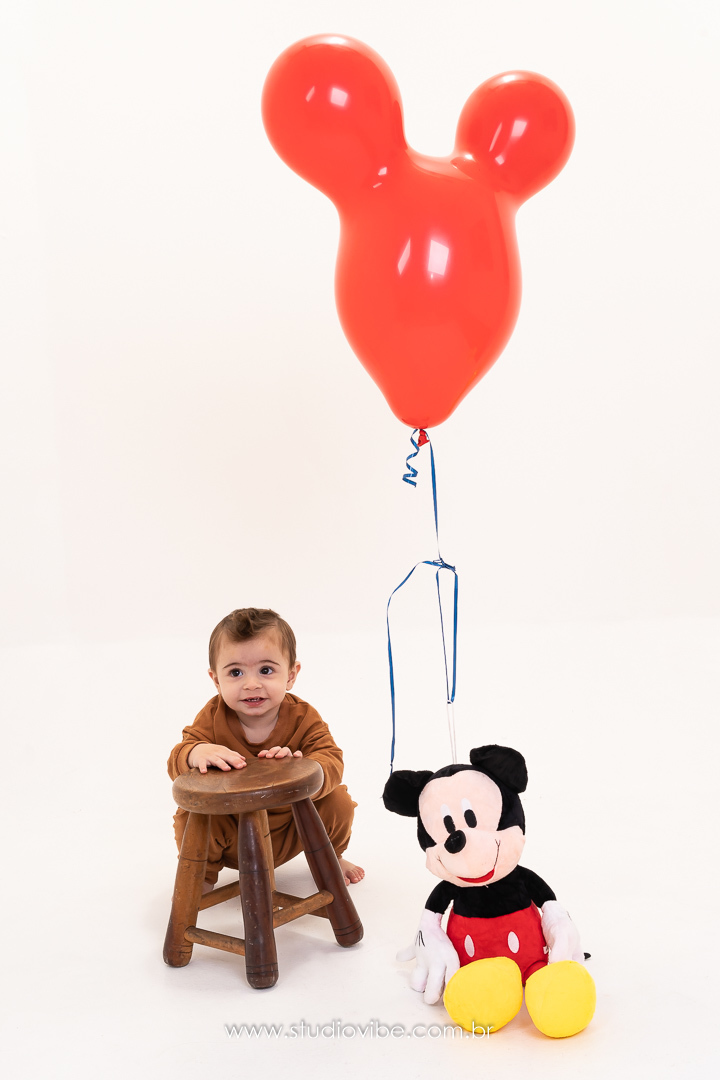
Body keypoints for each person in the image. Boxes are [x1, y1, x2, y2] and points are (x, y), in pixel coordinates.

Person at [168, 607, 364, 888]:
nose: (251, 684)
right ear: (216, 680)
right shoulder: (212, 717)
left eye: (266, 670)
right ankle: (202, 876)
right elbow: (176, 760)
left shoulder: (303, 716)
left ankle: (332, 855)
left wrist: (304, 767)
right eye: (236, 672)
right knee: (191, 815)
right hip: (233, 831)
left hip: (295, 825)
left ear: (291, 675)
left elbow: (332, 758)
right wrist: (195, 752)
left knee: (338, 801)